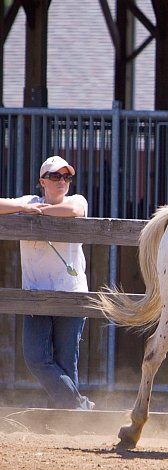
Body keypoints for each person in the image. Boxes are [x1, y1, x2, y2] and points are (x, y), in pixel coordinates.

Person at [0, 155, 94, 410]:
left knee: (65, 362)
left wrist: (36, 212)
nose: (62, 181)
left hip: (71, 294)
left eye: (66, 177)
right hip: (36, 296)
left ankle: (69, 417)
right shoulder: (28, 202)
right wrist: (22, 208)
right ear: (42, 181)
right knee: (36, 359)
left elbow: (74, 212)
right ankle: (80, 408)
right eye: (55, 176)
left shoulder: (76, 200)